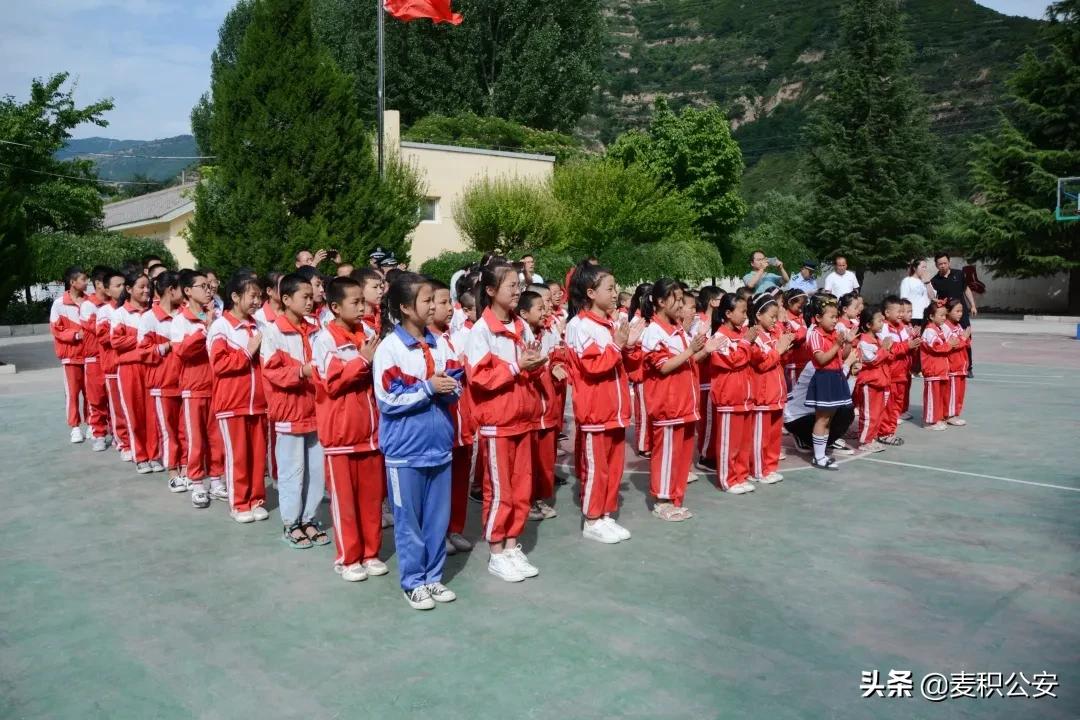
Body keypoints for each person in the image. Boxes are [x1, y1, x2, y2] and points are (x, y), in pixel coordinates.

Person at [373, 272, 462, 610]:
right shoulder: (390, 349)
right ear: (405, 307)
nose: (432, 306)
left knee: (437, 519)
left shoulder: (440, 343)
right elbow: (387, 400)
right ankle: (413, 581)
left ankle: (433, 578)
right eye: (426, 300)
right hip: (404, 452)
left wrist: (450, 388)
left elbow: (455, 381)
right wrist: (427, 388)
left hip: (439, 447)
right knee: (409, 520)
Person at [465, 261, 544, 582]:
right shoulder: (481, 332)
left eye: (518, 286)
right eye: (511, 286)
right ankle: (496, 550)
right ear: (491, 291)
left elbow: (527, 365)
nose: (518, 292)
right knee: (500, 490)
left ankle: (512, 544)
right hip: (497, 424)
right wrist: (516, 366)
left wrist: (536, 362)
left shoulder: (520, 327)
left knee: (522, 486)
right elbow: (479, 377)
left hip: (522, 419)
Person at [565, 260, 644, 544]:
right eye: (609, 288)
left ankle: (606, 514)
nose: (615, 294)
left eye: (615, 288)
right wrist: (619, 345)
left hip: (616, 409)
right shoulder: (579, 325)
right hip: (596, 409)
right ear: (590, 293)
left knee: (614, 466)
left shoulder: (611, 323)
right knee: (597, 468)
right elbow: (593, 366)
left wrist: (631, 345)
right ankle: (592, 519)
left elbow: (626, 364)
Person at [262, 273, 329, 549]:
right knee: (292, 470)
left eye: (311, 296)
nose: (310, 301)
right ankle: (291, 523)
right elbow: (271, 372)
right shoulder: (273, 332)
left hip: (316, 409)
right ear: (286, 299)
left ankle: (309, 518)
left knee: (316, 469)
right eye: (304, 296)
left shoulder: (316, 328)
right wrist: (301, 371)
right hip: (290, 411)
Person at [642, 279, 711, 520]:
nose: (682, 304)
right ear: (661, 302)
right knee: (667, 454)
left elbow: (686, 361)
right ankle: (662, 501)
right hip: (668, 405)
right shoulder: (654, 331)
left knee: (681, 456)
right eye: (677, 299)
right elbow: (663, 367)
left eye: (683, 299)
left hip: (684, 404)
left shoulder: (678, 329)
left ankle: (675, 496)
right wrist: (692, 350)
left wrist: (703, 349)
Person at [208, 272, 269, 523]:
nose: (257, 300)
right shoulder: (221, 326)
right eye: (252, 295)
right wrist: (248, 350)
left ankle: (256, 499)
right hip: (232, 403)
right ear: (234, 297)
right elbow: (219, 364)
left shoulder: (259, 326)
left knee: (257, 454)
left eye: (259, 295)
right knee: (238, 455)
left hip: (258, 403)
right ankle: (239, 502)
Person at [172, 269, 227, 509]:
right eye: (202, 286)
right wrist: (204, 329)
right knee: (196, 439)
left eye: (209, 286)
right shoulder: (180, 320)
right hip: (193, 389)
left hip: (216, 387)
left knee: (217, 438)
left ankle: (216, 480)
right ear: (187, 291)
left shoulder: (215, 315)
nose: (208, 290)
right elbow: (181, 351)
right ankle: (196, 483)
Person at [429, 279, 475, 554]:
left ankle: (455, 528)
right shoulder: (427, 342)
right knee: (440, 484)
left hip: (462, 422)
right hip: (443, 423)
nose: (450, 308)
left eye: (449, 302)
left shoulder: (451, 336)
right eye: (443, 303)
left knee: (459, 480)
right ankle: (440, 533)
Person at [139, 271, 183, 490]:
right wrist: (167, 346)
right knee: (168, 430)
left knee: (185, 430)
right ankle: (173, 471)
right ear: (171, 290)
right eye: (181, 288)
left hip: (185, 383)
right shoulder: (149, 318)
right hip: (162, 384)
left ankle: (186, 469)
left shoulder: (185, 315)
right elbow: (143, 352)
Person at [708, 294, 756, 493]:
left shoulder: (741, 335)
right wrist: (746, 343)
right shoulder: (720, 337)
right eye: (742, 311)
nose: (745, 316)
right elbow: (733, 360)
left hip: (744, 396)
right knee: (730, 443)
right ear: (728, 313)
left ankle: (741, 475)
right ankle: (728, 479)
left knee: (743, 442)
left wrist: (745, 342)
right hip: (729, 397)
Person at [112, 270, 158, 474]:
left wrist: (142, 342)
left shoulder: (154, 312)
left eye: (148, 286)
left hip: (151, 367)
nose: (146, 290)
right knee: (134, 413)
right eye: (141, 287)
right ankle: (140, 455)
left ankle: (154, 454)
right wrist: (142, 339)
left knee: (152, 413)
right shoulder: (120, 313)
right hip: (129, 369)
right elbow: (116, 341)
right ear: (129, 289)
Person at [804, 296, 853, 470]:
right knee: (822, 418)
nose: (835, 320)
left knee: (829, 419)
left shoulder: (834, 334)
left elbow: (844, 356)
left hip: (836, 376)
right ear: (818, 318)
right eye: (831, 317)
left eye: (836, 317)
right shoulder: (816, 335)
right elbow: (821, 359)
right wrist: (836, 345)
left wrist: (847, 343)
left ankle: (822, 454)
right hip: (825, 377)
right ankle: (818, 456)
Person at [748, 293, 793, 484]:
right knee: (761, 437)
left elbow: (779, 360)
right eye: (771, 316)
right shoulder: (754, 337)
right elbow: (762, 364)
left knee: (774, 436)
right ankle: (758, 470)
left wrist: (785, 348)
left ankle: (770, 467)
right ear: (758, 315)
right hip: (762, 395)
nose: (775, 320)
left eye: (776, 317)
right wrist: (779, 350)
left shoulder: (773, 335)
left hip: (777, 393)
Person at [50, 266, 89, 443]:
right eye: (83, 279)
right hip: (71, 357)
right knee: (72, 393)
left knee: (91, 393)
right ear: (72, 282)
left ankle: (92, 425)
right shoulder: (59, 304)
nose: (86, 282)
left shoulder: (90, 303)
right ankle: (74, 427)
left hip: (89, 356)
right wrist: (75, 335)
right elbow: (56, 330)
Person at [876, 296, 918, 446]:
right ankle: (884, 432)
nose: (901, 314)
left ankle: (888, 431)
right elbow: (890, 349)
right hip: (891, 373)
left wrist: (913, 345)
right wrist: (908, 346)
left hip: (902, 373)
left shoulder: (901, 327)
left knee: (896, 405)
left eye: (903, 311)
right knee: (889, 405)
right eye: (898, 311)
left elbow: (907, 344)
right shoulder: (884, 328)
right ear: (887, 312)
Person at [930, 253, 977, 377]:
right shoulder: (934, 281)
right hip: (947, 316)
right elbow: (934, 299)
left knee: (966, 338)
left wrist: (972, 305)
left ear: (949, 262)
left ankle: (969, 367)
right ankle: (951, 365)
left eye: (945, 263)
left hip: (962, 313)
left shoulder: (959, 274)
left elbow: (966, 289)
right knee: (949, 339)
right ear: (936, 265)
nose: (943, 266)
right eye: (940, 264)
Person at [81, 266, 112, 451]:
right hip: (94, 359)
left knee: (113, 399)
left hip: (109, 357)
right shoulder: (88, 305)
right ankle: (98, 433)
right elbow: (98, 330)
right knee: (96, 398)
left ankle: (116, 434)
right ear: (99, 284)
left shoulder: (113, 305)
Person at [852, 308, 891, 453]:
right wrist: (885, 349)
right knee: (869, 414)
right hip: (869, 383)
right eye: (879, 320)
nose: (882, 323)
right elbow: (872, 360)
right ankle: (865, 441)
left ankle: (872, 437)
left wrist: (886, 348)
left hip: (879, 381)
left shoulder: (878, 339)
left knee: (878, 413)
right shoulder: (864, 341)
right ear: (868, 324)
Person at [920, 300, 953, 431]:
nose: (944, 318)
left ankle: (937, 417)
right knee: (932, 397)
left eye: (945, 315)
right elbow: (936, 347)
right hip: (932, 370)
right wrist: (950, 344)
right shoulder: (929, 330)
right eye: (941, 315)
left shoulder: (938, 329)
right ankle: (929, 421)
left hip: (940, 370)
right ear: (931, 316)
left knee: (939, 396)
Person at [943, 298, 972, 426]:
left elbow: (964, 342)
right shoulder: (945, 327)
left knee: (960, 393)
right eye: (957, 311)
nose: (960, 313)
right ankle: (950, 415)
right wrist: (964, 338)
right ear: (948, 312)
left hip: (961, 365)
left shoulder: (958, 325)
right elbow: (953, 345)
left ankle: (955, 413)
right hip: (953, 366)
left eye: (962, 311)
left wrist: (965, 339)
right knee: (953, 393)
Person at [900, 259, 933, 327]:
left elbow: (932, 297)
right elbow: (904, 300)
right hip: (914, 316)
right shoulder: (907, 281)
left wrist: (927, 283)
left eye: (925, 267)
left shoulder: (927, 281)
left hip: (926, 316)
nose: (925, 269)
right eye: (922, 267)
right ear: (915, 268)